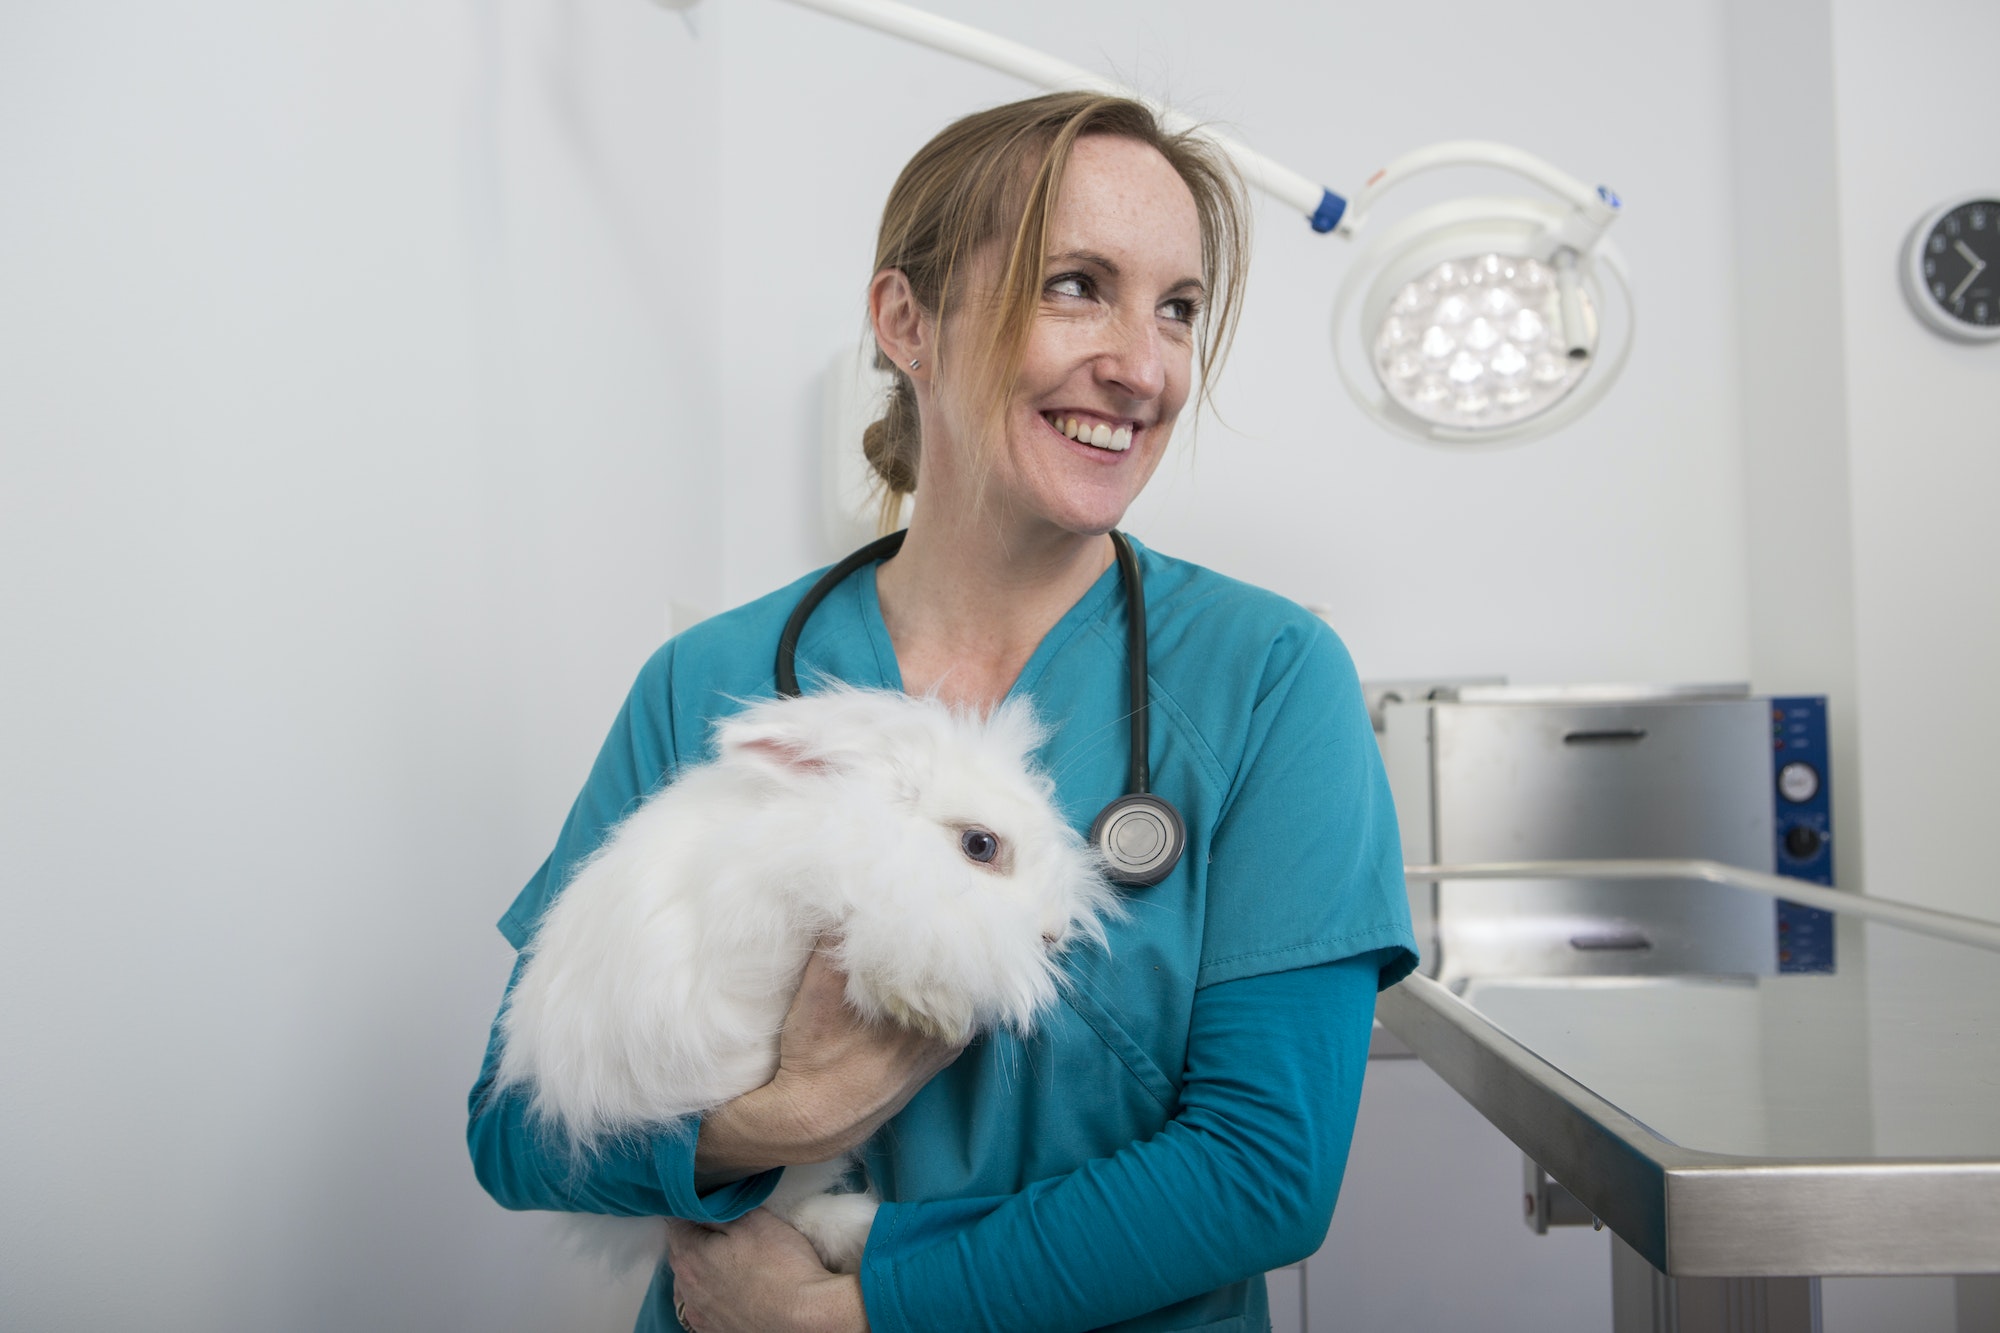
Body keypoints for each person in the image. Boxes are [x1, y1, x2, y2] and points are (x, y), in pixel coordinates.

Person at [467, 91, 1418, 1333]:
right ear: (905, 321)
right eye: (1075, 284)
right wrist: (782, 1117)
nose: (1141, 366)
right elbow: (516, 1129)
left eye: (1176, 308)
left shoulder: (1268, 676)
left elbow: (1262, 1172)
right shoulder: (711, 681)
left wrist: (867, 1305)